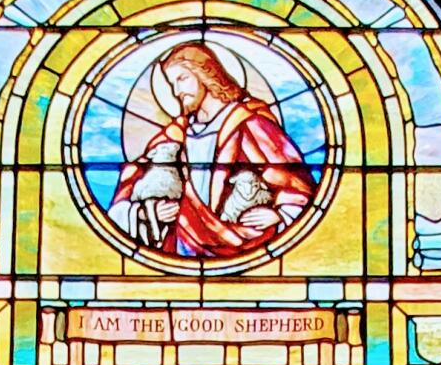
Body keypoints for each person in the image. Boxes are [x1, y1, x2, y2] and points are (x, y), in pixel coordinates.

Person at [114, 41, 315, 257]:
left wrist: (281, 215)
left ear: (205, 74)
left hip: (250, 250)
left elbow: (297, 184)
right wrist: (148, 212)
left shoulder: (251, 124)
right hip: (181, 247)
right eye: (172, 84)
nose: (177, 91)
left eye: (182, 79)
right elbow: (130, 190)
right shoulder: (174, 135)